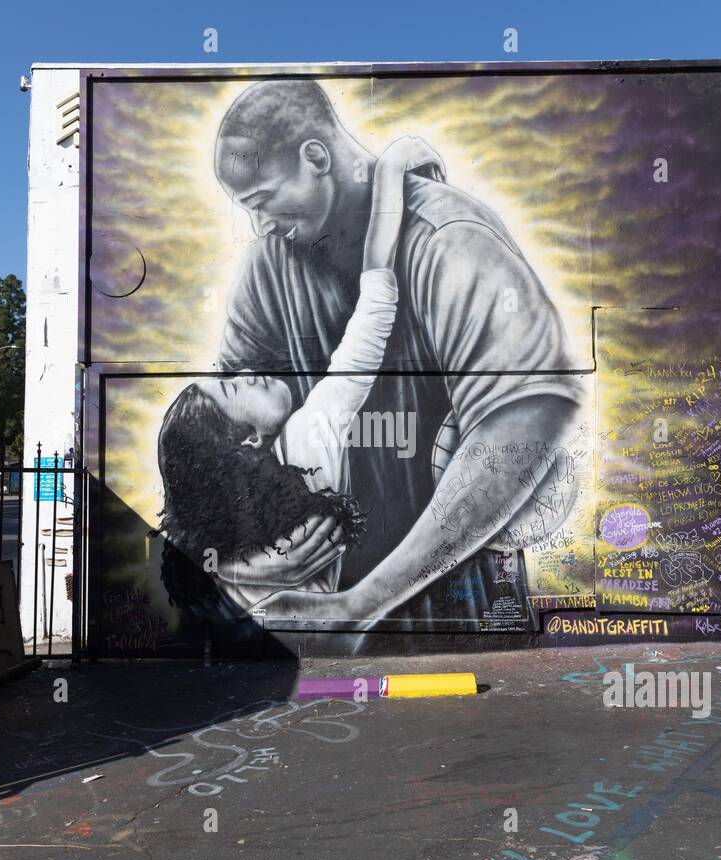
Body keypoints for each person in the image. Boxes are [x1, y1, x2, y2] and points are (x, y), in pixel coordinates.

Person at [211, 79, 585, 628]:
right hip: (318, 612)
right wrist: (242, 567)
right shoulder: (267, 268)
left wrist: (357, 606)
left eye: (262, 201)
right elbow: (215, 445)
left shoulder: (449, 237)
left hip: (462, 616)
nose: (259, 225)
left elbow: (523, 422)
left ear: (314, 158)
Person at [158, 136, 446, 607]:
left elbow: (184, 526)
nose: (245, 372)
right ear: (247, 441)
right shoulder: (308, 440)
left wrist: (230, 566)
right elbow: (373, 314)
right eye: (233, 389)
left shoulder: (227, 537)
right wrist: (392, 168)